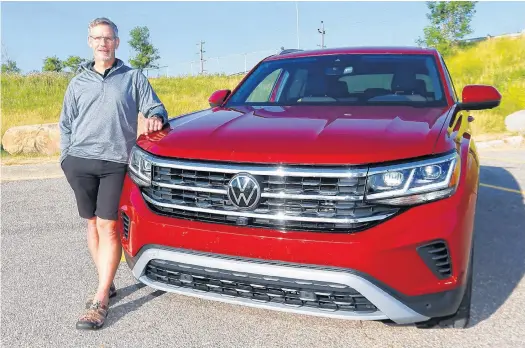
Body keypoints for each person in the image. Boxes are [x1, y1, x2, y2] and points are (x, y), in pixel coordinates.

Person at [58, 17, 167, 330]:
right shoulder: (77, 82)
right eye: (97, 38)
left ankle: (101, 297)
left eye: (108, 38)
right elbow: (65, 123)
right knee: (91, 223)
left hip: (115, 162)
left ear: (117, 42)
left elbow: (155, 107)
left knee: (108, 226)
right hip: (79, 162)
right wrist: (66, 158)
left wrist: (157, 117)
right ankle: (105, 280)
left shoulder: (133, 77)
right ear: (90, 42)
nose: (103, 43)